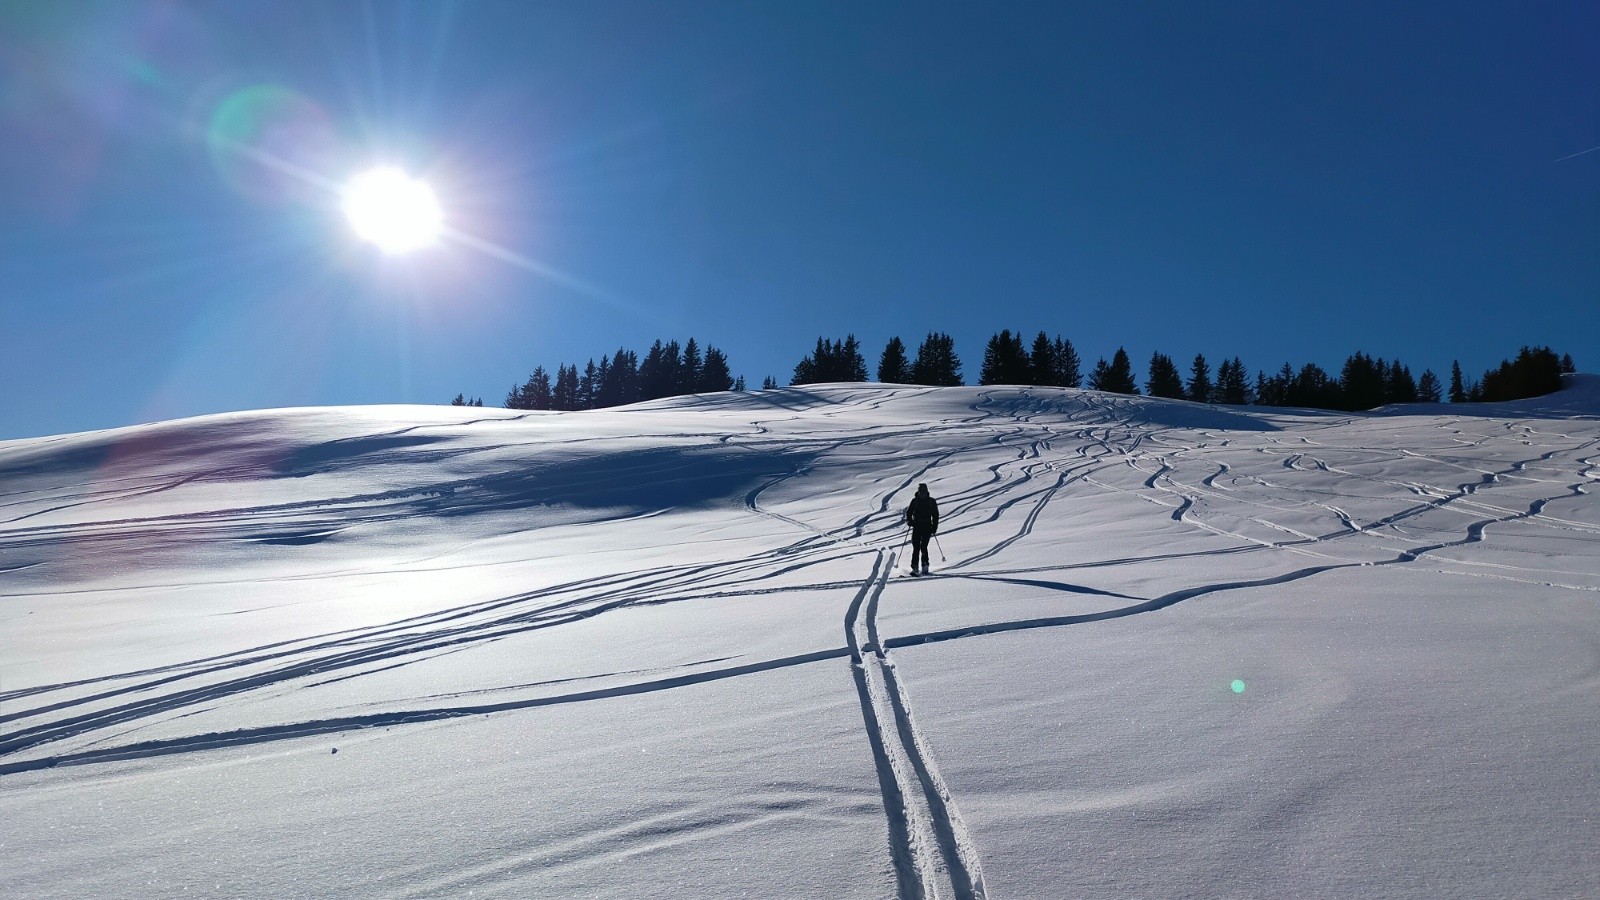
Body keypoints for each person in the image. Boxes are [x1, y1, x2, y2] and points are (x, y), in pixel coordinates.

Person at [904, 483, 939, 575]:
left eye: (923, 491)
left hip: (927, 527)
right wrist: (910, 521)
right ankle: (914, 567)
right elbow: (909, 513)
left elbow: (935, 515)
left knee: (923, 546)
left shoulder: (931, 501)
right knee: (916, 547)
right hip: (917, 526)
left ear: (926, 491)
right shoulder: (915, 501)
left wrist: (934, 527)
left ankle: (925, 565)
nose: (922, 493)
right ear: (918, 492)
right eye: (921, 492)